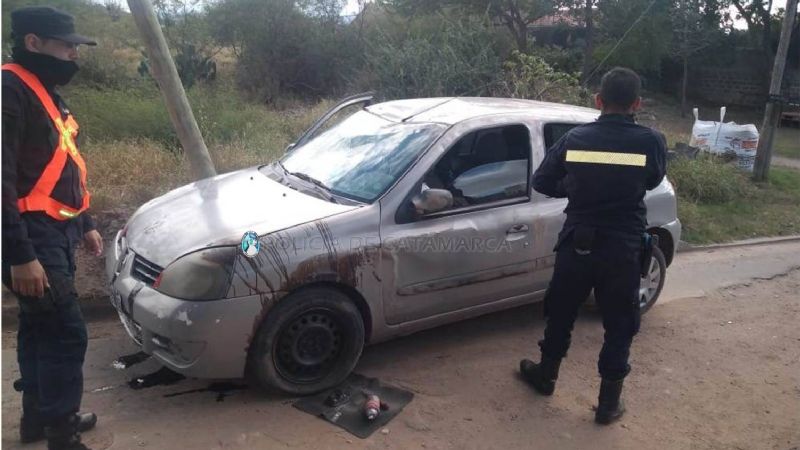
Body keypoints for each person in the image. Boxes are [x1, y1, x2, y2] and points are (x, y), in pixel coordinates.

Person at [519, 67, 666, 425]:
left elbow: (542, 181)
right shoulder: (651, 141)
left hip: (578, 243)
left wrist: (578, 187)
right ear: (637, 104)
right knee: (619, 323)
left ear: (598, 100)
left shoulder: (575, 139)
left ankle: (546, 376)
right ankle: (607, 405)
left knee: (561, 311)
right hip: (623, 247)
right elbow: (653, 178)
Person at [2, 6, 104, 450]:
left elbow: (59, 168)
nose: (73, 57)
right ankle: (62, 434)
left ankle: (39, 420)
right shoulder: (9, 92)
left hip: (55, 231)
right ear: (33, 43)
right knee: (67, 333)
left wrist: (85, 222)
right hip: (29, 236)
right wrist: (20, 255)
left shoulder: (44, 90)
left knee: (40, 328)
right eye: (66, 47)